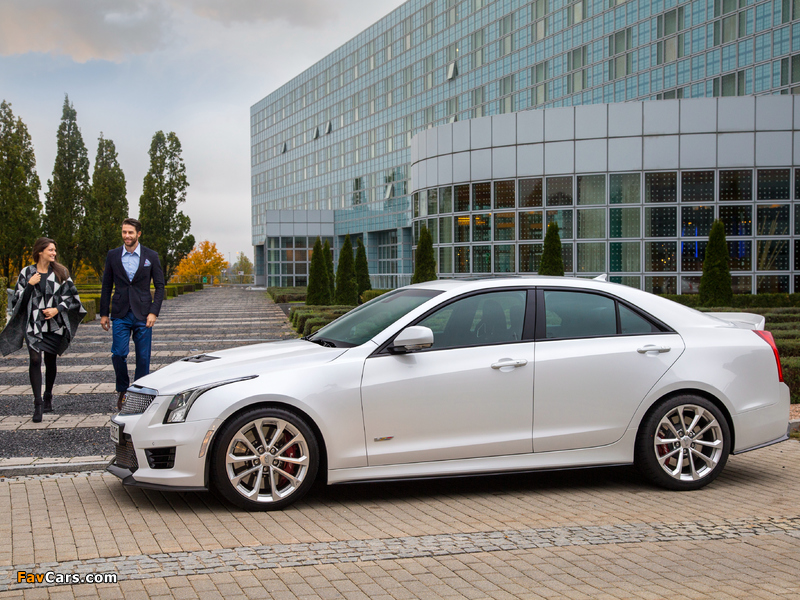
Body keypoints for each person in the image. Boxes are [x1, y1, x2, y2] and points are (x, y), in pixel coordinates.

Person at [0, 238, 86, 422]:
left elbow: (73, 298)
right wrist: (30, 285)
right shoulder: (27, 272)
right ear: (40, 251)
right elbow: (17, 301)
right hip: (34, 324)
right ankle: (37, 404)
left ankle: (48, 395)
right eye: (50, 250)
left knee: (50, 360)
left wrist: (57, 309)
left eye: (54, 250)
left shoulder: (61, 272)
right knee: (35, 359)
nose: (54, 253)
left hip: (54, 324)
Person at [100, 218, 165, 410]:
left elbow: (160, 286)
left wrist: (154, 312)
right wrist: (104, 313)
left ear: (138, 234)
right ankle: (123, 389)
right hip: (120, 313)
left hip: (143, 314)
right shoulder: (113, 255)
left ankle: (139, 393)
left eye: (130, 232)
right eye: (124, 232)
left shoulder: (151, 256)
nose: (127, 236)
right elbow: (106, 285)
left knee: (143, 358)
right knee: (118, 354)